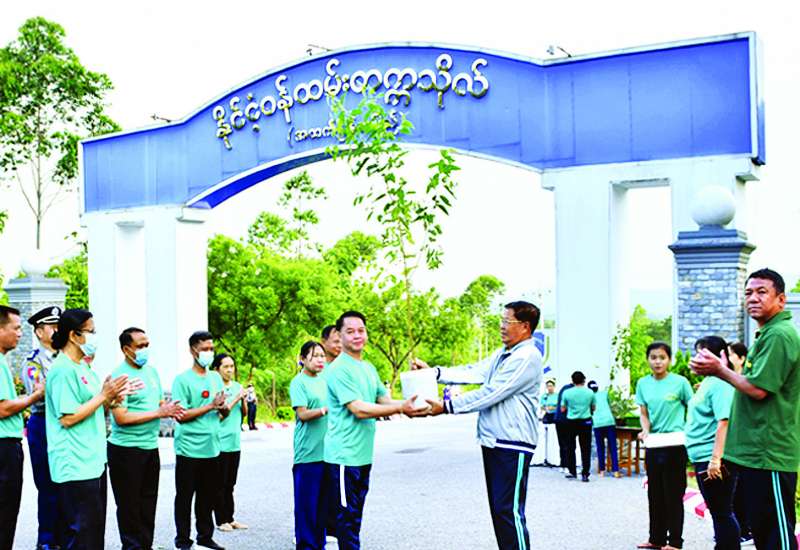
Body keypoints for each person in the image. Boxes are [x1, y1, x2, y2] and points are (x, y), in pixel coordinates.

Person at [415, 301, 543, 550]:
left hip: (513, 443)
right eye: (502, 320)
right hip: (495, 441)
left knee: (509, 511)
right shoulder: (504, 353)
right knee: (500, 511)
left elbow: (493, 392)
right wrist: (434, 373)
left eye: (507, 321)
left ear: (525, 326)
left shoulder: (527, 356)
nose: (502, 326)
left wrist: (447, 406)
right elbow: (475, 371)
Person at [691, 268, 800, 550]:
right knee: (763, 532)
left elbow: (758, 389)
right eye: (748, 292)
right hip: (756, 453)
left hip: (769, 453)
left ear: (781, 299)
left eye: (762, 292)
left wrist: (719, 369)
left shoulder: (779, 335)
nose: (753, 298)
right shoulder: (767, 334)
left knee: (776, 536)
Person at [324, 311, 418, 550]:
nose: (357, 335)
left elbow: (383, 399)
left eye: (361, 330)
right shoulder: (338, 369)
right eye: (350, 331)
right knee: (346, 520)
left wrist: (415, 405)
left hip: (363, 455)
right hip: (343, 457)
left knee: (355, 516)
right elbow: (358, 409)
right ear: (339, 336)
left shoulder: (368, 368)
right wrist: (401, 408)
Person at [45, 308, 133, 549]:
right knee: (81, 533)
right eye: (90, 332)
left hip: (93, 460)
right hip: (74, 463)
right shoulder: (63, 370)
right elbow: (68, 418)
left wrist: (111, 398)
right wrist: (103, 395)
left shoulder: (84, 368)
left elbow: (94, 408)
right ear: (73, 335)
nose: (95, 337)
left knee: (93, 532)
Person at [108, 327, 184, 550]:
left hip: (150, 447)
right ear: (126, 349)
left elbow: (159, 403)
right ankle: (132, 547)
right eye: (139, 346)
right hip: (126, 450)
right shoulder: (119, 377)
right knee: (129, 506)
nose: (144, 350)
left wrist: (170, 409)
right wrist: (159, 413)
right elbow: (121, 417)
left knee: (148, 503)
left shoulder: (151, 372)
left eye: (147, 345)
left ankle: (145, 545)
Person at [172, 331, 228, 550]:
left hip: (212, 448)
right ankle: (183, 541)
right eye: (204, 349)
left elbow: (222, 412)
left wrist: (222, 407)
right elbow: (181, 415)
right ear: (193, 350)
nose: (208, 353)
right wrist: (210, 406)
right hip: (189, 449)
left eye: (211, 349)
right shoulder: (182, 380)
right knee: (185, 497)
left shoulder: (215, 378)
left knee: (207, 497)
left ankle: (205, 537)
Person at [636, 341, 693, 550]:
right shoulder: (643, 384)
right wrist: (645, 430)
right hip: (654, 444)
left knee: (673, 494)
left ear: (669, 360)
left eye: (662, 357)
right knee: (655, 494)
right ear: (648, 360)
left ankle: (675, 541)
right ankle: (656, 539)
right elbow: (644, 413)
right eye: (653, 357)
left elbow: (693, 408)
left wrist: (690, 431)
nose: (657, 362)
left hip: (676, 444)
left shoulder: (680, 382)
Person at [684, 335, 738, 550]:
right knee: (718, 512)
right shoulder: (709, 382)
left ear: (720, 356)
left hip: (712, 458)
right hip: (702, 456)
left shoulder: (720, 384)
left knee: (722, 512)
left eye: (703, 355)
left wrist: (716, 460)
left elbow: (724, 421)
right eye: (697, 354)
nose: (698, 359)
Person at [0, 305, 45, 550]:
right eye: (16, 328)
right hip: (4, 447)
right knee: (5, 512)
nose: (20, 333)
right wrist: (35, 396)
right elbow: (3, 408)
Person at [23, 305, 62, 550]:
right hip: (43, 422)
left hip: (65, 422)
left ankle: (65, 536)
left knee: (65, 482)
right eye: (52, 327)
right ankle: (47, 539)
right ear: (39, 332)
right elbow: (37, 394)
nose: (58, 330)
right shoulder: (33, 361)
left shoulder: (68, 357)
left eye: (59, 326)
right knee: (47, 484)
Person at [290, 341, 329, 550]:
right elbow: (303, 414)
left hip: (328, 453)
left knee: (323, 507)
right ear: (303, 359)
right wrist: (324, 410)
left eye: (322, 355)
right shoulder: (299, 382)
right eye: (315, 356)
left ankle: (319, 545)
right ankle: (306, 546)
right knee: (306, 506)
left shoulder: (325, 381)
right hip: (308, 454)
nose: (320, 360)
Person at [212, 353, 248, 533]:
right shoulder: (216, 390)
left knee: (230, 484)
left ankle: (230, 518)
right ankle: (220, 520)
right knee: (219, 483)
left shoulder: (237, 386)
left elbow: (243, 413)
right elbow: (220, 415)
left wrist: (244, 399)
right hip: (220, 442)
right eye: (225, 367)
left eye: (232, 366)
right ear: (217, 369)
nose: (229, 370)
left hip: (235, 442)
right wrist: (235, 398)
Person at [726, 341, 753, 545]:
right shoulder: (730, 381)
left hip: (747, 443)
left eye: (730, 354)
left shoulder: (746, 380)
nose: (727, 359)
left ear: (742, 358)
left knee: (743, 489)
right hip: (733, 443)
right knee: (734, 491)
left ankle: (745, 530)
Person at [560, 371, 595, 482]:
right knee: (586, 448)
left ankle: (572, 471)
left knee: (570, 447)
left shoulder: (566, 393)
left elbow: (562, 409)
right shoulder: (590, 392)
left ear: (572, 381)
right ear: (584, 380)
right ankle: (585, 474)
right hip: (586, 422)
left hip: (571, 422)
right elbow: (593, 408)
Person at [588, 380, 621, 478]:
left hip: (598, 423)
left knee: (600, 448)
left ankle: (602, 471)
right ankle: (616, 471)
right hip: (609, 422)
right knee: (613, 447)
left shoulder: (589, 397)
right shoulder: (604, 393)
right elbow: (609, 405)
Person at [554, 379, 574, 473]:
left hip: (558, 419)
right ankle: (567, 466)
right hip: (566, 419)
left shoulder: (564, 388)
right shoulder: (571, 391)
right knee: (568, 444)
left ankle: (562, 465)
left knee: (562, 443)